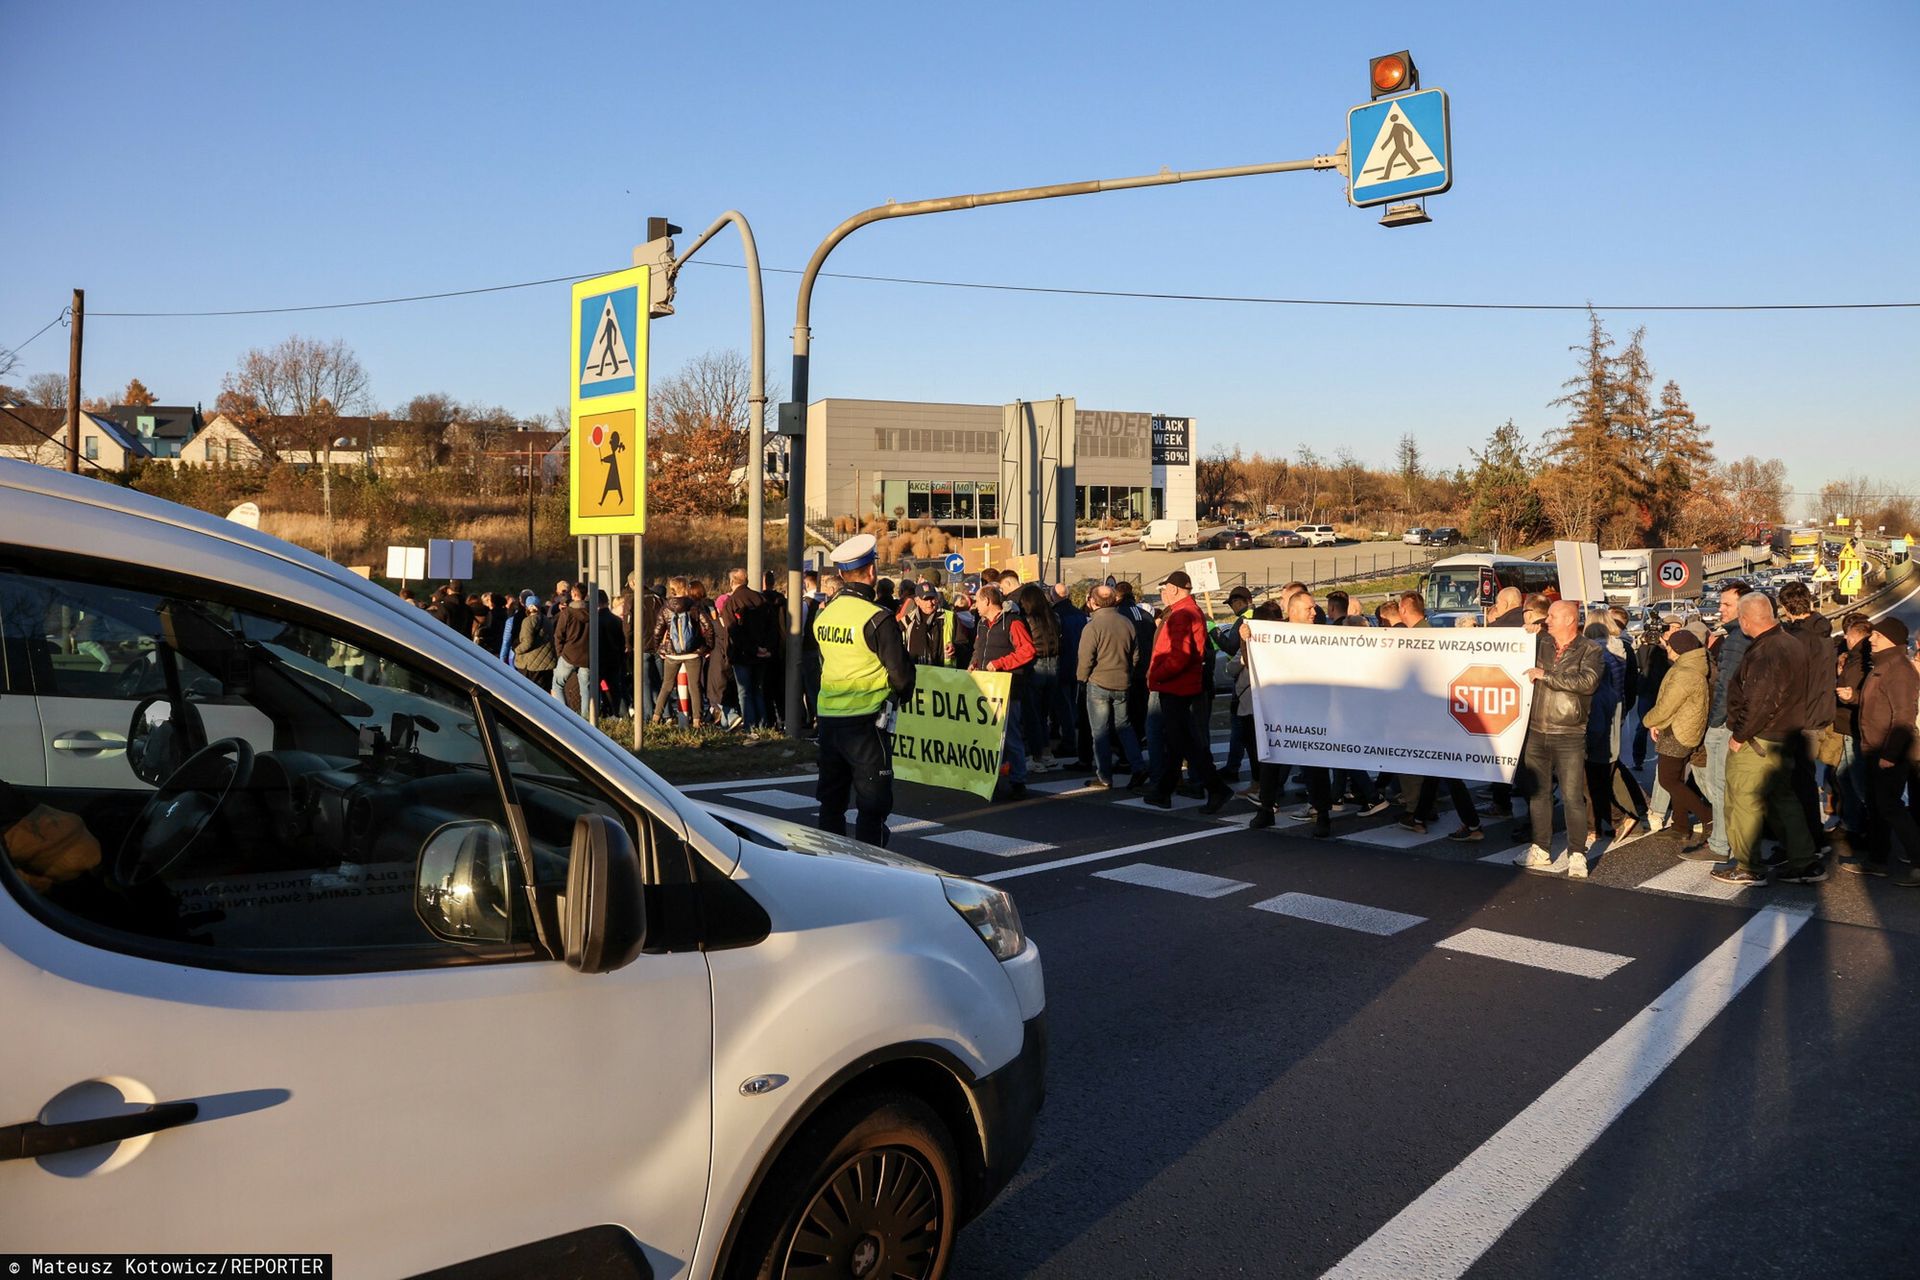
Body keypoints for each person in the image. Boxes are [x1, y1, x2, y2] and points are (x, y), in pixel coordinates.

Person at [812, 535, 916, 844]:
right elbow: (901, 675)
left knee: (831, 802)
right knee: (872, 805)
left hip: (829, 720)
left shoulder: (824, 615)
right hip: (866, 724)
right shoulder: (877, 618)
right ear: (871, 572)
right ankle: (871, 862)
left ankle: (831, 860)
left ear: (841, 574)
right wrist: (901, 697)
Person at [1717, 592, 1821, 886]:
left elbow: (1761, 701)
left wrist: (1739, 735)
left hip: (1758, 740)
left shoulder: (1767, 651)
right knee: (1782, 800)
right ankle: (1804, 861)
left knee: (1743, 801)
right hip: (1785, 737)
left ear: (1745, 620)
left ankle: (1748, 866)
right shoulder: (1790, 642)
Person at [1516, 601, 1603, 877]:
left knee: (1572, 796)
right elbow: (1513, 652)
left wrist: (1546, 675)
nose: (1547, 620)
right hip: (1536, 730)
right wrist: (1525, 633)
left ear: (1569, 620)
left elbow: (1587, 683)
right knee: (1538, 794)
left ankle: (1577, 854)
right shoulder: (1541, 643)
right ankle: (1540, 848)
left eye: (1553, 616)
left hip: (1569, 733)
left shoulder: (1590, 649)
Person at [1146, 571, 1233, 814]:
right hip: (1183, 686)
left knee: (1185, 742)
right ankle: (1165, 791)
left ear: (1174, 589)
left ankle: (1215, 788)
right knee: (1180, 741)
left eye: (1165, 589)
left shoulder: (1182, 614)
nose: (1163, 593)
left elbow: (1179, 656)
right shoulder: (1190, 611)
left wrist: (1156, 675)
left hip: (1176, 687)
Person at [1841, 617, 1920, 884]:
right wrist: (1853, 697)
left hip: (1889, 752)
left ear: (1890, 640)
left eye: (1876, 635)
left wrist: (1890, 755)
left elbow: (1904, 718)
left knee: (1891, 807)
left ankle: (1918, 862)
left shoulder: (1899, 670)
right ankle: (1877, 861)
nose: (1871, 639)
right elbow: (1876, 703)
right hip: (1875, 750)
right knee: (1877, 807)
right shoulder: (1884, 665)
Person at [1641, 628, 1714, 852]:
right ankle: (1680, 826)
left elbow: (1667, 706)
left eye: (1669, 646)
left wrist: (1648, 721)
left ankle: (1709, 818)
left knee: (1668, 780)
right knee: (1678, 779)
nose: (1667, 649)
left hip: (1678, 732)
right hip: (1681, 728)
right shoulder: (1691, 666)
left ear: (1679, 649)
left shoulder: (1685, 673)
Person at [1777, 581, 1837, 854]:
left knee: (1794, 785)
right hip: (1818, 715)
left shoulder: (1797, 639)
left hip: (1799, 718)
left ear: (1787, 607)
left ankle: (1803, 845)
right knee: (1805, 781)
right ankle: (1814, 838)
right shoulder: (1823, 632)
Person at [1699, 581, 1753, 868]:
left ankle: (1720, 843)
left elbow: (1726, 687)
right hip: (1743, 721)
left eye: (1726, 604)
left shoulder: (1735, 640)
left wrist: (1714, 723)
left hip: (1727, 723)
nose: (1720, 609)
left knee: (1718, 783)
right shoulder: (1751, 636)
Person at [1077, 583, 1148, 789]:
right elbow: (1136, 655)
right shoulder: (1126, 623)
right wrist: (1128, 672)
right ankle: (1138, 766)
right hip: (1122, 681)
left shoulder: (1092, 626)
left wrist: (1082, 679)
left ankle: (1104, 776)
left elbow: (1085, 658)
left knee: (1100, 732)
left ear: (1093, 602)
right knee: (1124, 726)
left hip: (1098, 682)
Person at [971, 585, 1036, 800]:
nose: (975, 605)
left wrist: (1000, 663)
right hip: (986, 688)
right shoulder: (982, 624)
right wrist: (974, 663)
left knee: (1011, 736)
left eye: (977, 601)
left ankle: (1018, 781)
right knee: (989, 736)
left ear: (987, 601)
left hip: (1008, 688)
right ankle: (992, 777)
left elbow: (1027, 651)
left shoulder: (1013, 622)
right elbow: (979, 649)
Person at [650, 577, 715, 727]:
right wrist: (707, 647)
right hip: (693, 653)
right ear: (685, 588)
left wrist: (659, 648)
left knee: (666, 686)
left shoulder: (665, 607)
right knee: (694, 686)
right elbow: (708, 627)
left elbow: (657, 631)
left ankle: (656, 717)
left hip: (672, 653)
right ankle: (697, 721)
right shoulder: (694, 606)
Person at [1833, 613, 1875, 841]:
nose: (1845, 639)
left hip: (1853, 728)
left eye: (1847, 635)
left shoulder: (1860, 661)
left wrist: (1846, 691)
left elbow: (1859, 693)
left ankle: (1872, 827)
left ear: (1856, 636)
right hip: (1847, 725)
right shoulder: (1856, 657)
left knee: (1858, 782)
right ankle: (1852, 824)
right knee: (1845, 777)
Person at [720, 568, 775, 730]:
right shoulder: (760, 598)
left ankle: (749, 725)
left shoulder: (731, 602)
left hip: (742, 654)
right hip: (762, 653)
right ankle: (763, 724)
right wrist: (766, 648)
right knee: (758, 689)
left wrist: (751, 649)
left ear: (731, 582)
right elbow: (771, 626)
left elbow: (733, 631)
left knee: (744, 692)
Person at [549, 584, 593, 715]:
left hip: (569, 655)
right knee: (585, 689)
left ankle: (565, 715)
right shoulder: (592, 612)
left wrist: (560, 653)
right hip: (587, 656)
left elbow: (559, 634)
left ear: (573, 594)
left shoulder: (567, 612)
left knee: (557, 685)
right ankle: (586, 718)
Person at [902, 582, 963, 667]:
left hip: (943, 673)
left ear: (937, 598)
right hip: (915, 672)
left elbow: (964, 645)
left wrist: (955, 648)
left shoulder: (951, 618)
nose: (930, 603)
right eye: (925, 599)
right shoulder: (907, 620)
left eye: (932, 599)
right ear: (917, 601)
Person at [513, 590, 556, 691]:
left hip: (532, 664)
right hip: (547, 663)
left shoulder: (527, 621)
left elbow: (527, 643)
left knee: (531, 692)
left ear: (527, 607)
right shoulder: (547, 620)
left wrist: (516, 650)